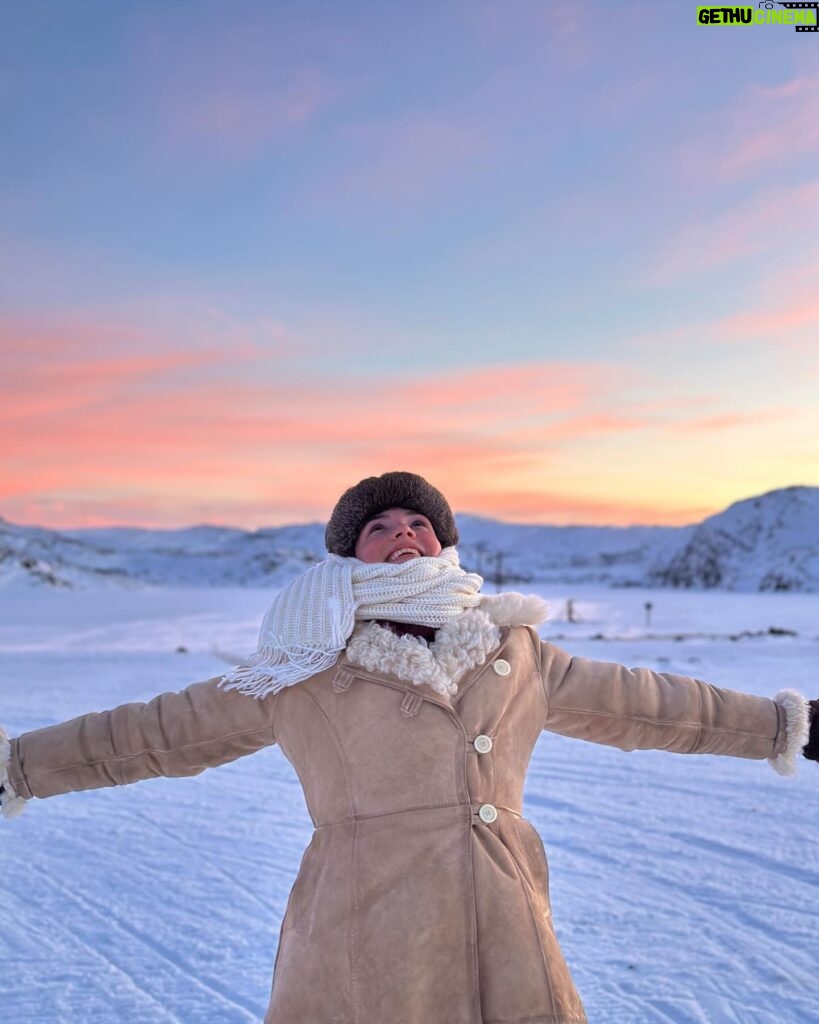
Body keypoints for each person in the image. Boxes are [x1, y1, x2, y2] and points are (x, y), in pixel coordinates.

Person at [2, 471, 817, 1024]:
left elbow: (650, 704)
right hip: (363, 935)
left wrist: (785, 724)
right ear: (347, 554)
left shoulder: (517, 650)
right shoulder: (302, 667)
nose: (402, 536)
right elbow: (154, 732)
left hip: (506, 921)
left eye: (419, 524)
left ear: (444, 545)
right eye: (379, 528)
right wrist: (20, 767)